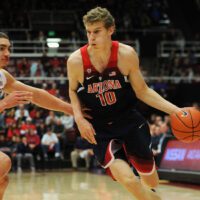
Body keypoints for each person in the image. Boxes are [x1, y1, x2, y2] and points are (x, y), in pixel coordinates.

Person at [67, 7, 183, 200]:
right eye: (88, 32)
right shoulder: (76, 61)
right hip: (100, 127)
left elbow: (143, 91)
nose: (91, 37)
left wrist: (176, 111)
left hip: (129, 121)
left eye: (97, 31)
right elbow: (72, 90)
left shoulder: (126, 54)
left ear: (110, 30)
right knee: (128, 180)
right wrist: (78, 118)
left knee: (151, 181)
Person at [0, 32, 73, 200]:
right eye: (1, 48)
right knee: (3, 162)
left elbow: (36, 95)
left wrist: (71, 110)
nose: (7, 54)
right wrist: (3, 104)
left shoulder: (2, 76)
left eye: (8, 49)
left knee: (2, 180)